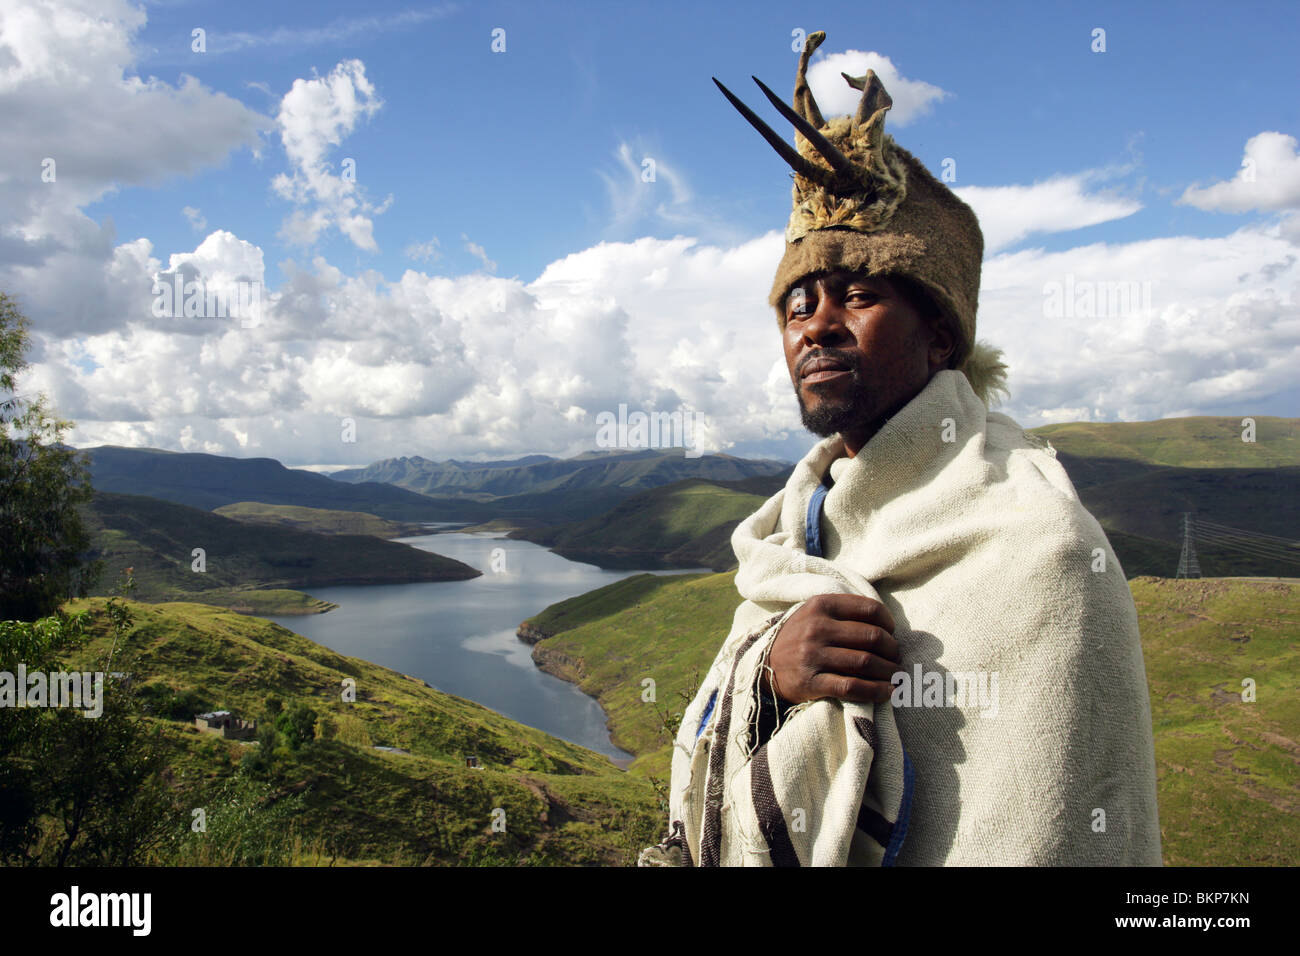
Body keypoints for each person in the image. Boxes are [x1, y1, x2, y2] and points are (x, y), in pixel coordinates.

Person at [639, 31, 1161, 867]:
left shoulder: (1042, 553)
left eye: (859, 295)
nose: (815, 324)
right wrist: (771, 673)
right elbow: (718, 746)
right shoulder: (791, 544)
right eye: (796, 304)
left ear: (941, 337)